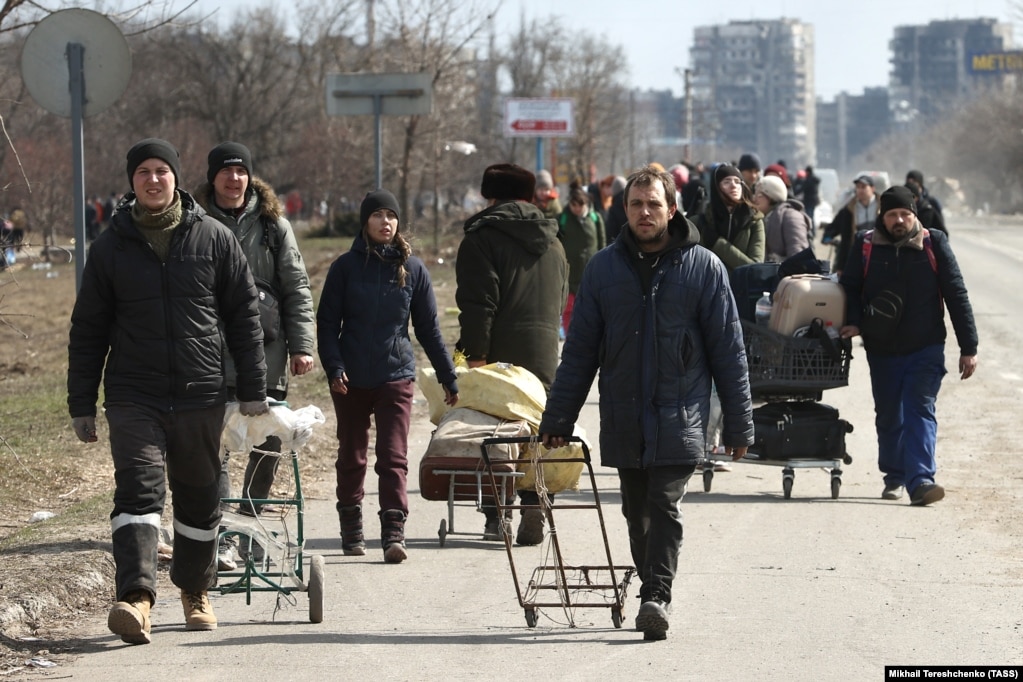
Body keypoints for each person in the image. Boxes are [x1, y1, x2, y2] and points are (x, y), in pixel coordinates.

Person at [538, 165, 753, 641]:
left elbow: (728, 351)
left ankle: (656, 594)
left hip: (682, 412)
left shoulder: (703, 267)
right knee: (636, 514)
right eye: (636, 204)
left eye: (654, 204)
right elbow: (579, 351)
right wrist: (559, 416)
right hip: (625, 413)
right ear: (623, 209)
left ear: (671, 209)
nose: (644, 212)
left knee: (664, 504)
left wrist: (739, 423)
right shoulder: (603, 269)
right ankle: (652, 584)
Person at [67, 138, 269, 645]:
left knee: (200, 496)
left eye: (162, 171)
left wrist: (252, 388)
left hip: (201, 390)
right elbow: (88, 328)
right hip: (134, 392)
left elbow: (245, 316)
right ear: (131, 181)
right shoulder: (111, 247)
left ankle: (194, 591)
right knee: (138, 490)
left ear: (176, 178)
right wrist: (81, 403)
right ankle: (136, 598)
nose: (153, 179)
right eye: (143, 172)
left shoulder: (214, 238)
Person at [317, 189, 459, 563]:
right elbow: (328, 324)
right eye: (378, 215)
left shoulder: (413, 270)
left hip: (395, 374)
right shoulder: (345, 268)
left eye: (391, 216)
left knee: (393, 456)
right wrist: (333, 366)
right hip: (350, 376)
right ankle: (351, 525)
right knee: (352, 455)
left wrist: (448, 376)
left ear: (398, 223)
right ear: (366, 221)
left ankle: (393, 532)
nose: (385, 222)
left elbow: (428, 328)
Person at [193, 142, 317, 571]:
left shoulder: (273, 225)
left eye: (240, 171)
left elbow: (296, 287)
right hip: (208, 353)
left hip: (267, 352)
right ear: (213, 178)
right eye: (225, 171)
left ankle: (248, 526)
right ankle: (224, 534)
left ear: (250, 177)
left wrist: (302, 345)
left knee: (267, 442)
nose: (233, 178)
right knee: (217, 445)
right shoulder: (194, 221)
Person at [838, 185, 977, 506]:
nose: (899, 220)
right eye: (892, 214)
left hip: (925, 346)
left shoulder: (934, 244)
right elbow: (851, 288)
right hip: (881, 348)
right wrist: (855, 321)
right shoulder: (866, 244)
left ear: (914, 214)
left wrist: (969, 347)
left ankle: (921, 480)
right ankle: (894, 474)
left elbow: (956, 294)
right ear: (882, 217)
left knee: (920, 410)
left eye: (905, 213)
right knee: (889, 415)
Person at [455, 163, 568, 544]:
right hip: (544, 351)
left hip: (498, 351)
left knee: (494, 431)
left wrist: (474, 357)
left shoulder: (481, 238)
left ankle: (495, 514)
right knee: (537, 427)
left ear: (490, 196)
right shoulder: (554, 240)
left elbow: (477, 303)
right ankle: (536, 498)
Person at [692, 163, 765, 272]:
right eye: (726, 182)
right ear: (716, 188)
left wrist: (717, 243)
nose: (733, 185)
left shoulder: (754, 221)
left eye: (737, 182)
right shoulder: (701, 222)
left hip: (741, 287)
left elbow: (755, 267)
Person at [557, 186, 606, 334]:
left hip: (591, 273)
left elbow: (602, 243)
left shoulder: (595, 217)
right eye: (574, 205)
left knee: (590, 310)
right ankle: (569, 337)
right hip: (569, 274)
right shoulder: (563, 218)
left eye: (580, 205)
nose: (577, 209)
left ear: (586, 203)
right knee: (569, 309)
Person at [825, 174, 878, 277]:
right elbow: (845, 239)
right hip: (857, 252)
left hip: (877, 252)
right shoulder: (849, 209)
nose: (860, 190)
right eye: (858, 187)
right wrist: (841, 267)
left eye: (863, 187)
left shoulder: (882, 207)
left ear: (872, 188)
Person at [753, 175, 811, 262]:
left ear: (772, 196)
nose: (755, 198)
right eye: (755, 194)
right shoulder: (761, 218)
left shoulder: (791, 217)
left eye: (760, 194)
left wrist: (777, 262)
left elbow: (799, 257)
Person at [799, 165, 821, 230]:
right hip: (813, 201)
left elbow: (802, 189)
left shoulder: (808, 180)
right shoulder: (815, 180)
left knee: (809, 217)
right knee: (811, 217)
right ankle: (813, 231)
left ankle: (810, 231)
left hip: (809, 201)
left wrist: (793, 193)